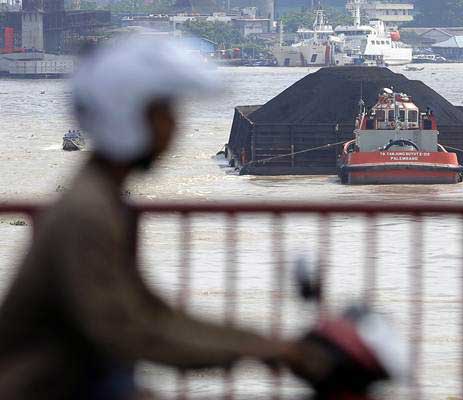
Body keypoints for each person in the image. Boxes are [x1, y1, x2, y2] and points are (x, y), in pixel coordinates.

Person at [0, 37, 330, 399]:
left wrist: (259, 344)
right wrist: (255, 349)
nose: (173, 128)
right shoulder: (87, 213)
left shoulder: (103, 201)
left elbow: (150, 312)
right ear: (126, 115)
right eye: (163, 113)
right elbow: (130, 332)